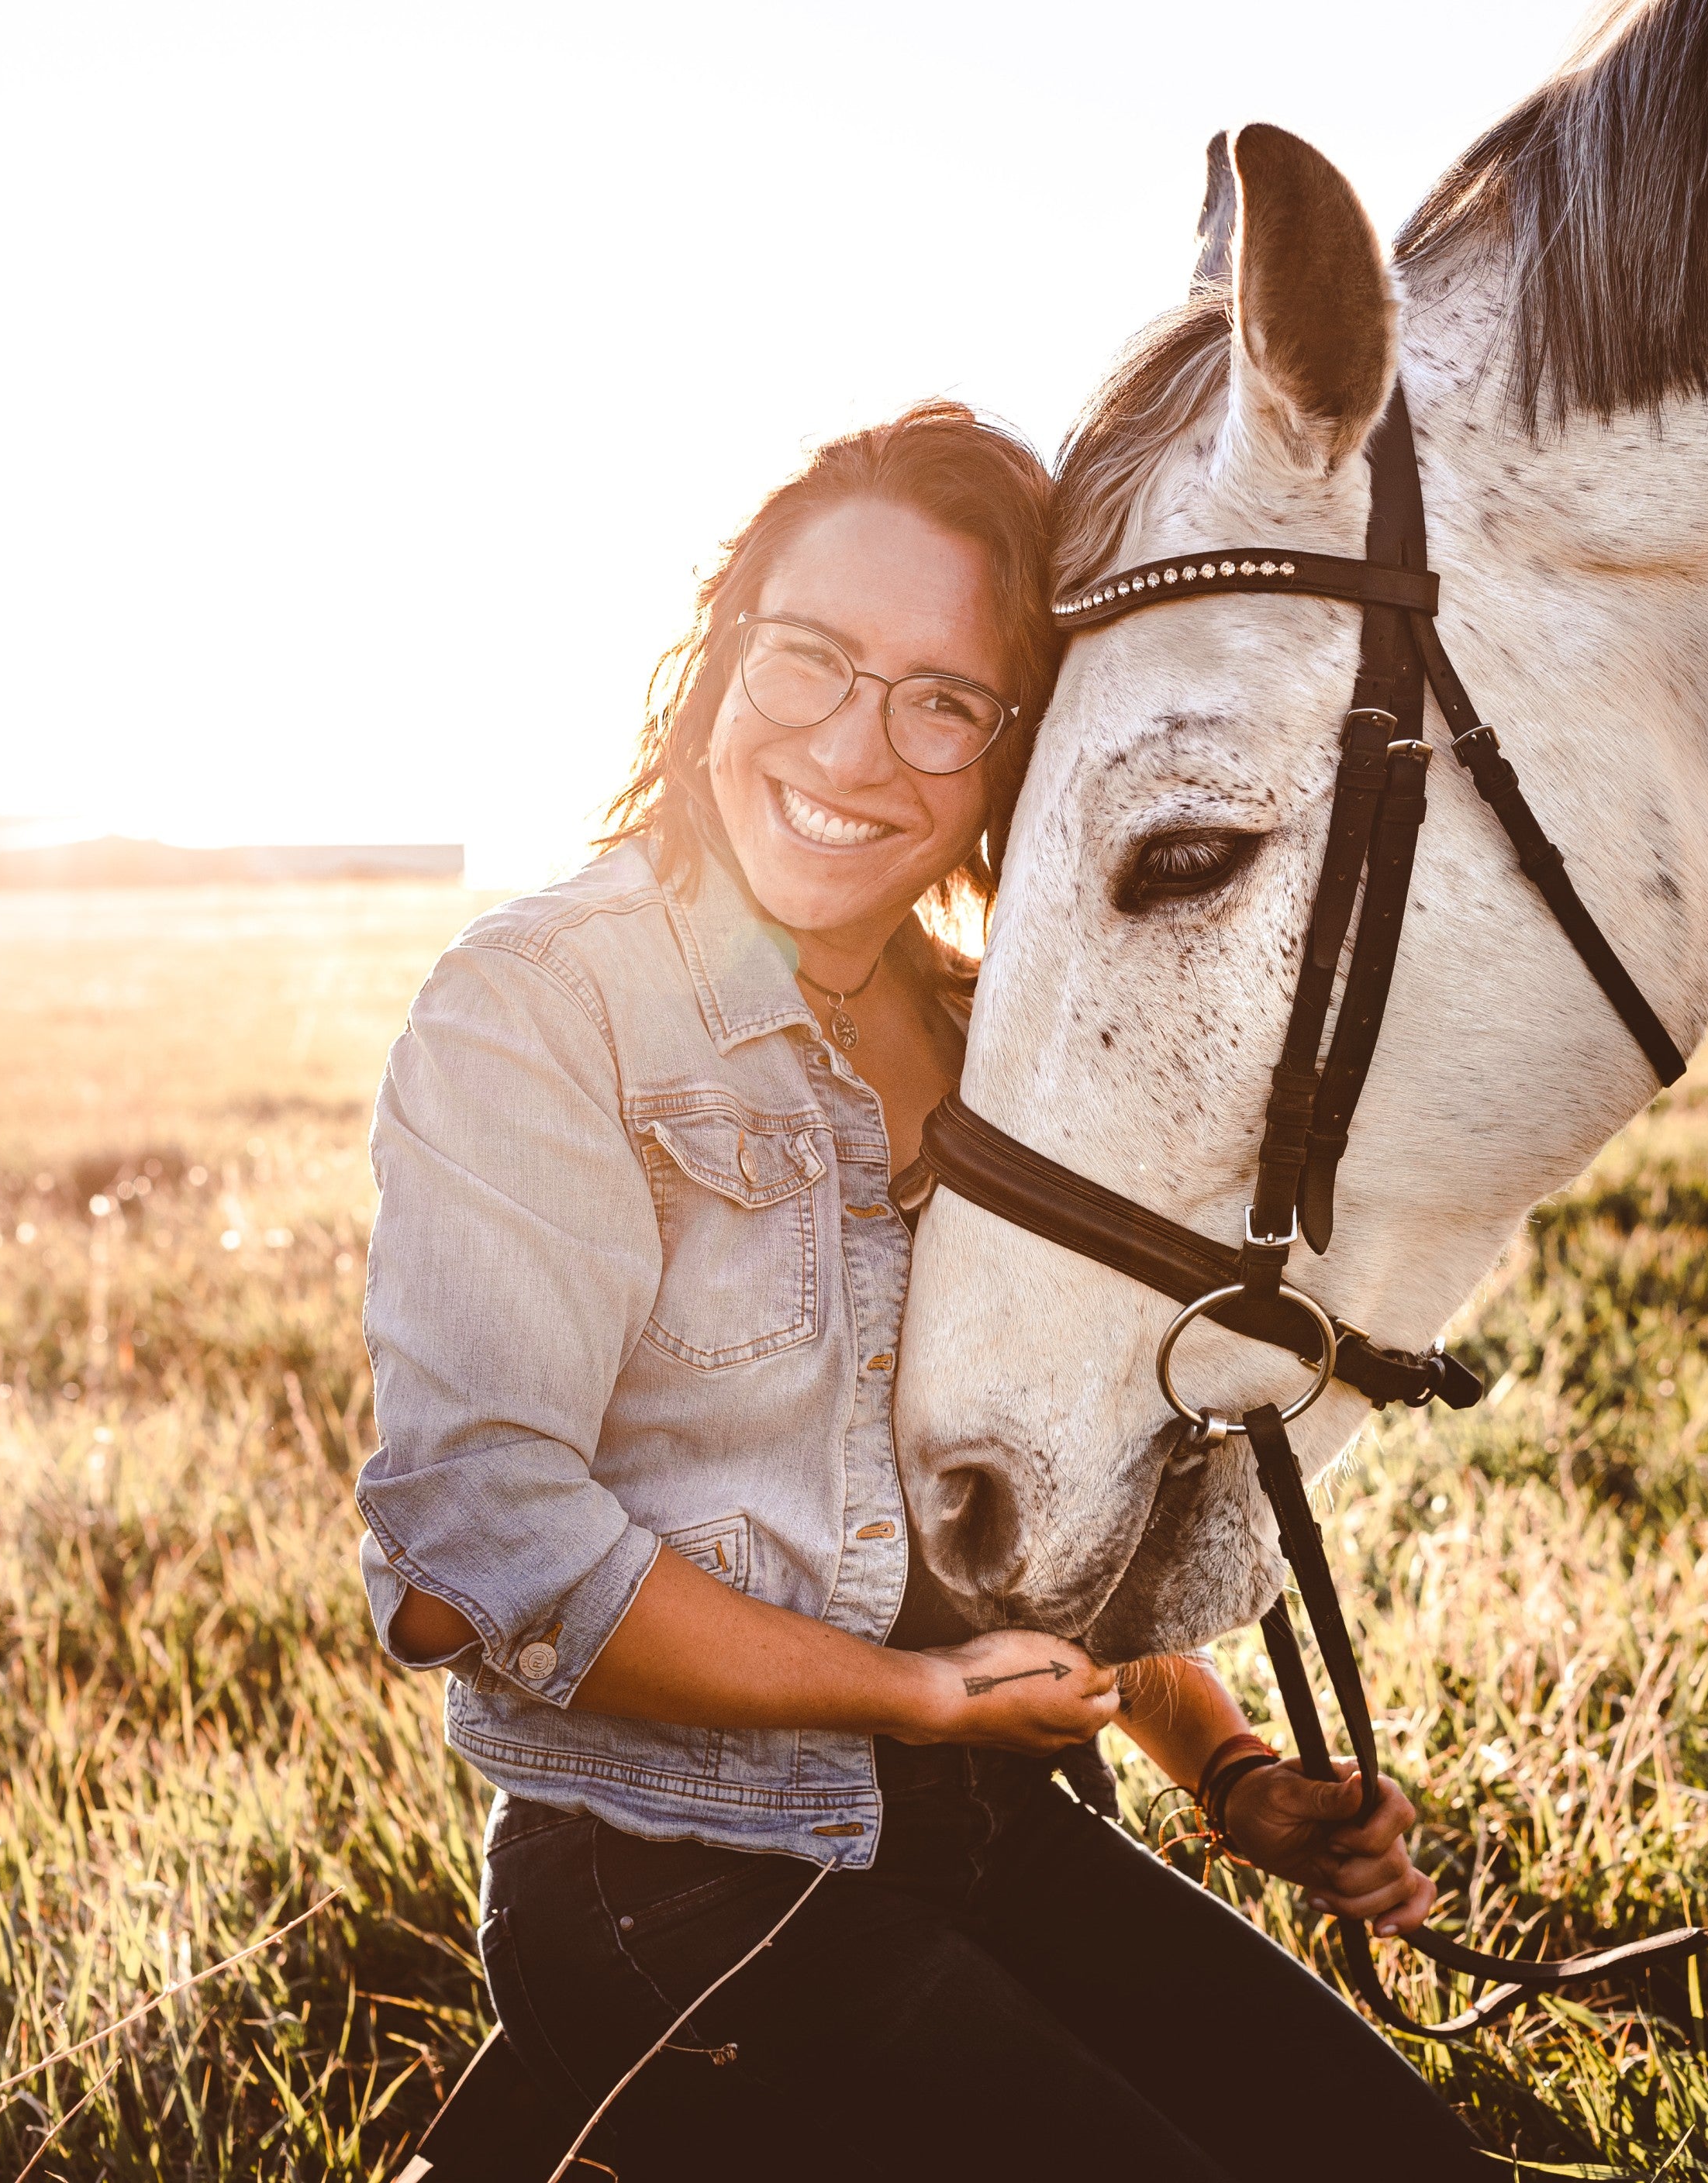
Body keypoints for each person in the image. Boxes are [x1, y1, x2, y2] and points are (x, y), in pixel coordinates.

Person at [356, 402, 1491, 2179]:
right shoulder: (540, 1008)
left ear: (1009, 755)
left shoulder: (995, 1046)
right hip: (671, 1877)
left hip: (981, 1825)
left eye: (942, 700)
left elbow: (1034, 1531)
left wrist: (1231, 1774)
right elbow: (476, 1540)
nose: (853, 746)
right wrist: (903, 1701)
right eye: (808, 657)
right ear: (723, 657)